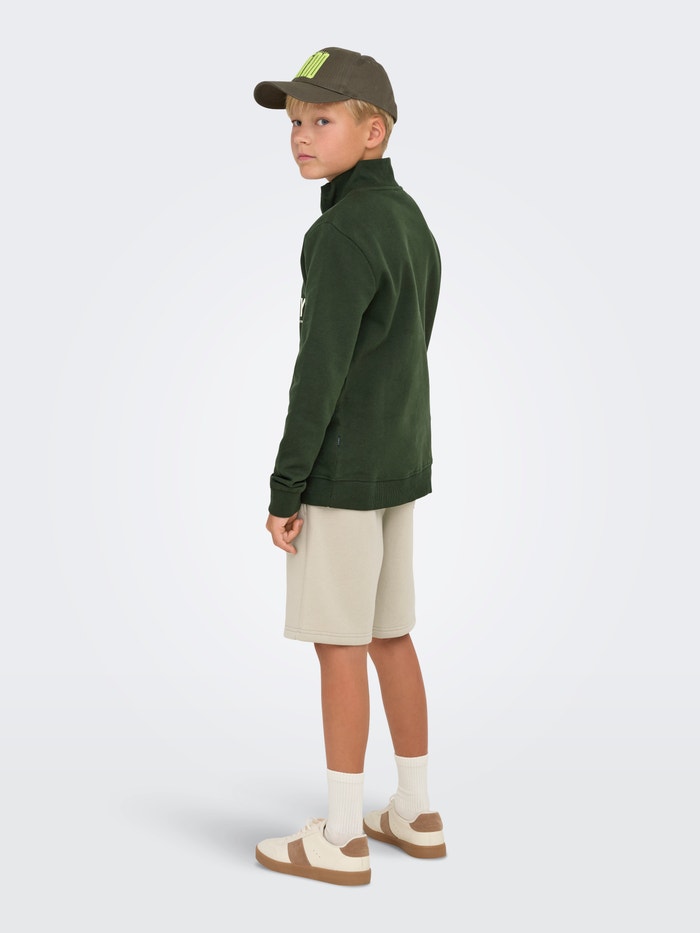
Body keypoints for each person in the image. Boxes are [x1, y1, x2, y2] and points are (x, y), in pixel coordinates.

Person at [252, 46, 446, 886]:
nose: (300, 135)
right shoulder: (409, 221)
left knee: (340, 645)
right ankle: (417, 809)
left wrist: (286, 486)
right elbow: (409, 345)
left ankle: (340, 834)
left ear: (375, 131)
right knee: (389, 635)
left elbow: (319, 371)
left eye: (321, 120)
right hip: (398, 465)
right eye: (295, 121)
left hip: (340, 476)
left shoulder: (338, 233)